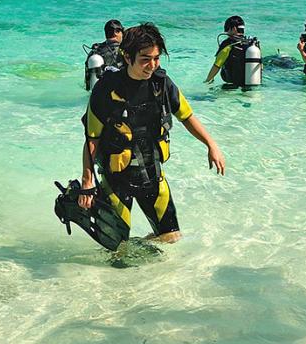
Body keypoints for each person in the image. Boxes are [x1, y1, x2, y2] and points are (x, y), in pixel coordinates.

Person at [79, 22, 225, 246]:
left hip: (152, 174)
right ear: (127, 57)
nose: (152, 65)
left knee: (171, 237)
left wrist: (211, 145)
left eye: (156, 58)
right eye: (145, 59)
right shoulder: (105, 90)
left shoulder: (162, 84)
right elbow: (92, 139)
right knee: (118, 250)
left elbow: (186, 116)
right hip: (116, 180)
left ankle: (144, 250)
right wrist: (87, 181)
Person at [204, 14, 257, 86]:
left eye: (227, 30)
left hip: (232, 86)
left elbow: (217, 65)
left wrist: (207, 81)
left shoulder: (228, 44)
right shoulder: (251, 44)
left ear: (234, 29)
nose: (226, 33)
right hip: (250, 85)